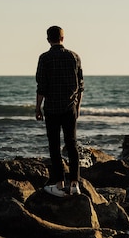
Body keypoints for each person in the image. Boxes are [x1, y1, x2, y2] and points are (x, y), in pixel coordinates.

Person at [35, 25, 84, 197]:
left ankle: (59, 184)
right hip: (70, 108)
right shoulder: (74, 57)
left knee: (54, 146)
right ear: (63, 38)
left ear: (48, 39)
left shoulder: (44, 58)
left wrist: (37, 107)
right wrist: (77, 107)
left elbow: (41, 86)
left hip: (52, 108)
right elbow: (80, 86)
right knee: (72, 144)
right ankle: (75, 184)